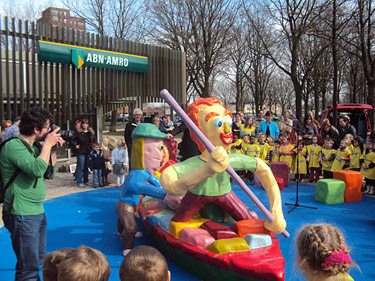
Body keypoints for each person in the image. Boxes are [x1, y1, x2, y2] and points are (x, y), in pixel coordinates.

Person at [160, 97, 286, 235]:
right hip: (197, 195)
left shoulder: (231, 160)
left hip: (225, 194)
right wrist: (207, 170)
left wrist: (277, 211)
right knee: (177, 223)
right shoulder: (196, 163)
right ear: (198, 131)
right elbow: (169, 184)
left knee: (249, 221)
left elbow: (265, 172)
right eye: (218, 123)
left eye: (228, 121)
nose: (227, 129)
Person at [1, 107, 63, 281]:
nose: (49, 131)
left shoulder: (34, 147)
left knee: (37, 259)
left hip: (36, 210)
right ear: (36, 129)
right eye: (47, 127)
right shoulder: (13, 146)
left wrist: (51, 151)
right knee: (28, 268)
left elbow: (47, 173)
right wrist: (48, 144)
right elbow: (36, 170)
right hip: (21, 212)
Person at [116, 123, 181, 256]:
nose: (161, 155)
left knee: (125, 219)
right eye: (158, 148)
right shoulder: (137, 174)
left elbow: (154, 181)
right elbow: (138, 186)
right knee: (131, 227)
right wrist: (164, 195)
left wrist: (166, 187)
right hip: (125, 204)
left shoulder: (144, 173)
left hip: (130, 204)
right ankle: (127, 248)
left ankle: (120, 230)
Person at [71, 119, 96, 187]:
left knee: (86, 167)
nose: (84, 125)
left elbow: (94, 140)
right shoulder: (78, 133)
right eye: (83, 124)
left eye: (86, 124)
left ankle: (86, 180)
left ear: (88, 125)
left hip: (88, 151)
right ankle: (79, 181)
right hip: (81, 151)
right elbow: (72, 139)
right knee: (80, 166)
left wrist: (93, 147)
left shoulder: (90, 133)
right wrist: (75, 146)